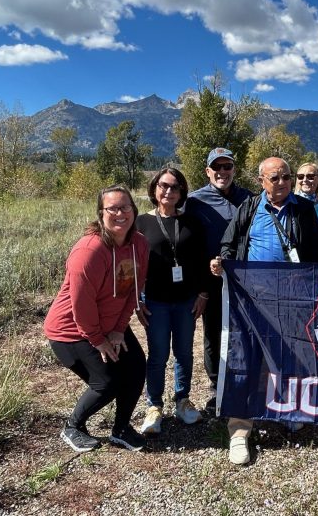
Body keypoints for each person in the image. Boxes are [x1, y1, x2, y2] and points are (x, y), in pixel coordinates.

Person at [210, 157, 318, 466]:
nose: (283, 182)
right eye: (275, 178)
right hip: (252, 301)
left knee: (289, 355)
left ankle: (287, 411)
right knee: (247, 360)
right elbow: (228, 245)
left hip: (291, 300)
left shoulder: (303, 209)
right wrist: (221, 262)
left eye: (287, 176)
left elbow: (316, 253)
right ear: (262, 181)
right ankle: (239, 431)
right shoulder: (248, 208)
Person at [44, 185, 148, 452]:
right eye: (112, 208)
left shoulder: (139, 244)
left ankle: (122, 428)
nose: (120, 213)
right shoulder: (89, 251)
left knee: (136, 367)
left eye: (125, 206)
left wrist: (118, 329)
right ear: (101, 213)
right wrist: (98, 340)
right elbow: (81, 305)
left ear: (134, 210)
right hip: (72, 331)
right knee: (107, 382)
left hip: (109, 325)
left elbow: (132, 290)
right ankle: (73, 427)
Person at [136, 167, 210, 435]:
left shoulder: (192, 222)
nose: (169, 191)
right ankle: (154, 406)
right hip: (155, 300)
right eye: (164, 186)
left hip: (186, 300)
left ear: (182, 192)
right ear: (154, 189)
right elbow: (130, 266)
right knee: (157, 355)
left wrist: (203, 293)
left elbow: (202, 260)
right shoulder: (141, 223)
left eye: (175, 187)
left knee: (184, 353)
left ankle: (182, 400)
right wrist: (135, 299)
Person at [185, 148, 253, 409]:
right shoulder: (194, 201)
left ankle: (242, 382)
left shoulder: (249, 198)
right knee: (213, 335)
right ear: (208, 171)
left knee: (243, 333)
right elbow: (188, 244)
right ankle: (217, 388)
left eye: (228, 167)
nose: (223, 172)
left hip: (243, 281)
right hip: (210, 282)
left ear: (234, 170)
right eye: (217, 167)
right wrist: (200, 284)